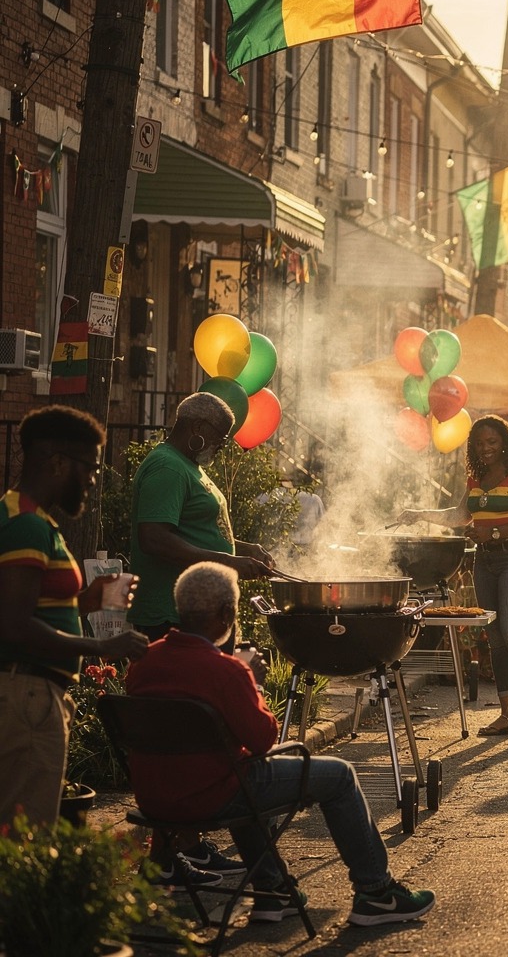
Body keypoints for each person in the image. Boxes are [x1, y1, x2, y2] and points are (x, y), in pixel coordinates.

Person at [126, 562, 435, 926]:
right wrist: (253, 682)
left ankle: (273, 891)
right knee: (338, 775)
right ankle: (377, 892)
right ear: (227, 613)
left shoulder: (144, 662)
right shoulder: (226, 670)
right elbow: (262, 740)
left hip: (156, 798)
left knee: (246, 774)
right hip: (214, 794)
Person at [0, 406, 149, 829]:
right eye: (90, 467)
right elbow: (13, 624)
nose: (93, 478)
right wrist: (101, 646)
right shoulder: (24, 526)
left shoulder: (31, 521)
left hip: (28, 695)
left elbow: (32, 609)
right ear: (57, 461)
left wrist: (87, 601)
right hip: (26, 697)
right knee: (22, 843)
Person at [400, 415, 508, 740]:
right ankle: (507, 715)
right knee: (495, 638)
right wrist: (419, 515)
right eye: (480, 444)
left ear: (505, 443)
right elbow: (460, 515)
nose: (486, 449)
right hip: (487, 561)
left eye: (492, 442)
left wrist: (495, 532)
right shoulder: (476, 477)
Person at [128, 393, 274, 637]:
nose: (222, 446)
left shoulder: (187, 465)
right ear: (198, 427)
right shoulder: (168, 467)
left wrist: (245, 549)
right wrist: (228, 562)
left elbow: (191, 532)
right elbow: (154, 538)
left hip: (202, 615)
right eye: (221, 437)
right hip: (174, 616)